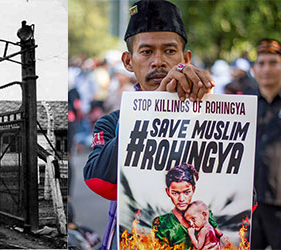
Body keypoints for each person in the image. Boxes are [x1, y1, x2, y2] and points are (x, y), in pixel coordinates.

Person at [81, 1, 214, 248]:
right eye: (146, 52)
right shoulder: (111, 123)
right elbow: (101, 183)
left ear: (186, 58)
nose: (158, 62)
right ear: (128, 61)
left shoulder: (209, 118)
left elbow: (247, 198)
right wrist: (153, 108)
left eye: (170, 51)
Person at [250, 38, 281, 250]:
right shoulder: (245, 106)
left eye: (273, 62)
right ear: (254, 69)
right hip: (250, 206)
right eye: (261, 63)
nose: (266, 69)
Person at [152, 164, 220, 249]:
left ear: (193, 189)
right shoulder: (162, 223)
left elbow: (217, 241)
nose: (181, 199)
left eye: (186, 192)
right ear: (168, 192)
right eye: (175, 193)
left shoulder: (204, 214)